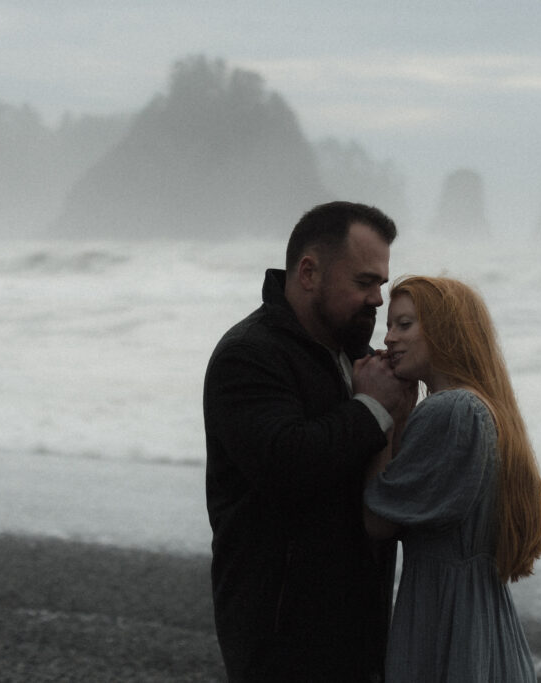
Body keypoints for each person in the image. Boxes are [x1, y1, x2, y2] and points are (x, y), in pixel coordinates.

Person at [203, 201, 412, 682]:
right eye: (364, 282)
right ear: (309, 272)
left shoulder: (358, 356)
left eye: (381, 283)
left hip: (360, 627)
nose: (378, 299)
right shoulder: (250, 354)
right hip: (280, 635)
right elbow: (285, 464)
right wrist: (372, 408)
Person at [363, 275, 541, 682]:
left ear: (445, 330)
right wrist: (400, 418)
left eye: (404, 324)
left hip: (444, 619)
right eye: (390, 325)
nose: (389, 338)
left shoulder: (450, 411)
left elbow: (378, 520)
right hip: (485, 617)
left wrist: (376, 412)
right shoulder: (485, 408)